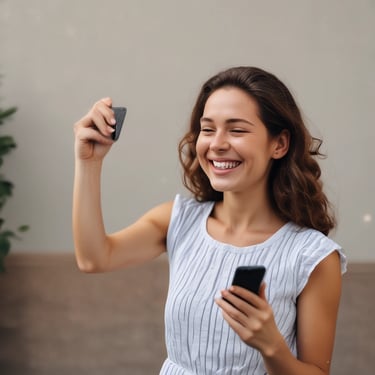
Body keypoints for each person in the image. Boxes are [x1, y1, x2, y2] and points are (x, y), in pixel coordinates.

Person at [73, 66, 347, 375]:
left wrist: (271, 347)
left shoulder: (314, 257)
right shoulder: (177, 220)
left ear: (279, 144)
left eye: (237, 129)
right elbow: (93, 258)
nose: (217, 143)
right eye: (207, 129)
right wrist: (88, 163)